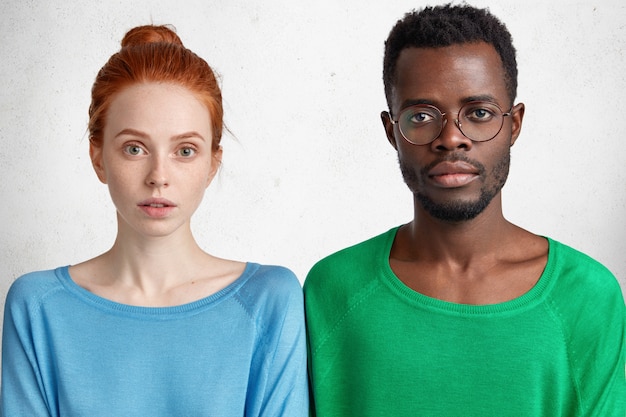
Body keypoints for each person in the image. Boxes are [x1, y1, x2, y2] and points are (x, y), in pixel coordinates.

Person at [304, 4, 625, 416]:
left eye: (478, 114)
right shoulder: (334, 290)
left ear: (514, 124)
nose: (452, 138)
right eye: (421, 115)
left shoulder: (586, 296)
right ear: (391, 131)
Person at [1, 25, 308, 416]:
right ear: (98, 158)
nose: (158, 175)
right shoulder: (37, 306)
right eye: (134, 148)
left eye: (185, 150)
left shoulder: (269, 300)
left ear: (213, 163)